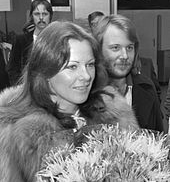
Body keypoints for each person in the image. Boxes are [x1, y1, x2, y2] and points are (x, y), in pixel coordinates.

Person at [0, 21, 138, 182]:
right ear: (45, 71)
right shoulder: (13, 132)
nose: (86, 76)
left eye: (90, 65)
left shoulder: (115, 112)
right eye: (73, 67)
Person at [93, 14, 164, 132]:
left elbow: (159, 140)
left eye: (129, 48)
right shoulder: (86, 93)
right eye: (115, 48)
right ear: (99, 50)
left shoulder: (147, 88)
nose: (125, 56)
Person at [7, 0, 53, 85]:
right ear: (32, 16)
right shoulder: (20, 40)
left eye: (45, 14)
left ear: (50, 16)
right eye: (37, 14)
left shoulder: (57, 40)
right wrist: (20, 88)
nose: (41, 18)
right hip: (26, 89)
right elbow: (12, 68)